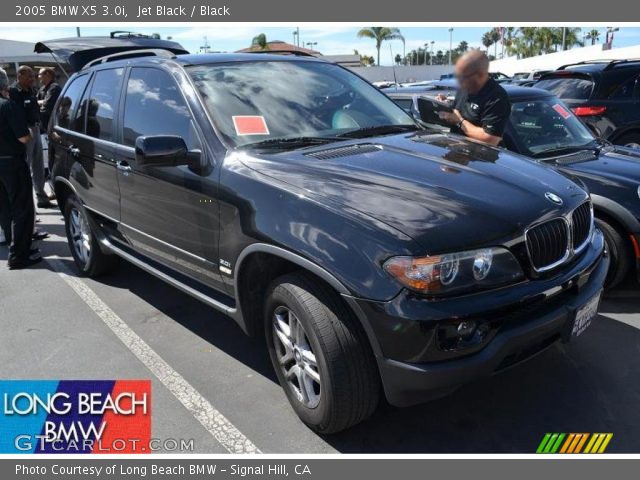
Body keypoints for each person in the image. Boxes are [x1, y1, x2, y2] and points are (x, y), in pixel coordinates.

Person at [0, 68, 42, 269]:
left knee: (5, 209)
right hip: (11, 163)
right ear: (5, 85)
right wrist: (30, 137)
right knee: (22, 209)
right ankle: (19, 255)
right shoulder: (8, 106)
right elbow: (24, 137)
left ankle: (15, 247)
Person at [437, 50, 511, 146]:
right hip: (456, 155)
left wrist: (460, 122)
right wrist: (445, 105)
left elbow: (490, 139)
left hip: (480, 158)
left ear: (480, 75)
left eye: (463, 76)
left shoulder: (496, 97)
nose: (460, 80)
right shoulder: (465, 88)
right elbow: (458, 112)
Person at [11, 65, 53, 209]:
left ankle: (41, 197)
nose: (33, 79)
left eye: (33, 76)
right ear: (20, 75)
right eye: (29, 76)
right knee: (25, 168)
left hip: (35, 128)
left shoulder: (31, 90)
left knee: (39, 166)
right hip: (24, 132)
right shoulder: (14, 92)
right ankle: (26, 204)